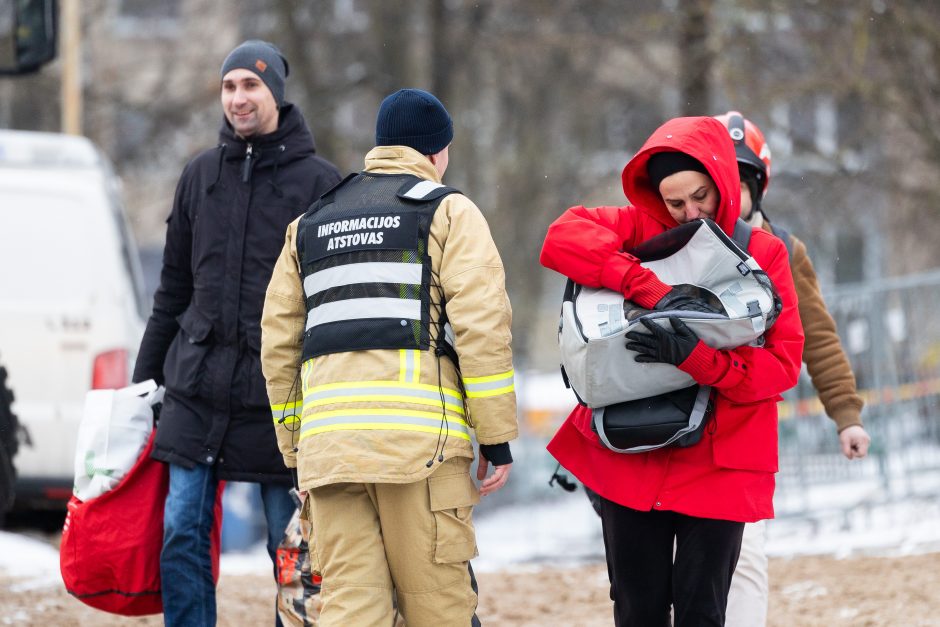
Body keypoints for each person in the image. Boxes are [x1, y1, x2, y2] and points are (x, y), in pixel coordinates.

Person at [260, 87, 518, 626]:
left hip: (330, 454)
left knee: (352, 612)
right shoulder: (447, 211)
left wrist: (297, 451)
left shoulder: (311, 222)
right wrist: (494, 437)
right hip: (419, 450)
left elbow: (278, 344)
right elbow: (482, 327)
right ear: (438, 152)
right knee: (436, 608)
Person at [540, 115, 805, 626]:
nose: (689, 213)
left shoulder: (765, 253)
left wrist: (697, 359)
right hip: (632, 451)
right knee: (636, 611)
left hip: (722, 459)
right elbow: (560, 237)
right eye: (675, 202)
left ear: (723, 181)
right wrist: (641, 284)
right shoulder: (638, 228)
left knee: (702, 614)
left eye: (701, 196)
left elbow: (782, 364)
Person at [132, 40, 342, 626]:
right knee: (180, 532)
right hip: (197, 386)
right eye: (228, 87)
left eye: (250, 85)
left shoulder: (321, 183)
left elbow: (331, 302)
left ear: (275, 91)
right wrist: (143, 381)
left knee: (295, 546)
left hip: (280, 397)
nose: (238, 98)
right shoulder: (199, 176)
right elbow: (172, 290)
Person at [714, 110, 872, 627]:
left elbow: (818, 336)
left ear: (757, 187)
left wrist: (846, 414)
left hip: (744, 429)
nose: (729, 197)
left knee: (743, 558)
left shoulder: (781, 248)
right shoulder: (674, 244)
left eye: (740, 183)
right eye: (720, 182)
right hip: (676, 425)